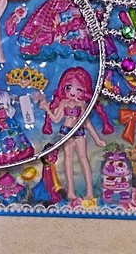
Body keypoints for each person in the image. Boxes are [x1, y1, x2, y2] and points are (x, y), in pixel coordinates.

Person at [38, 66, 106, 201]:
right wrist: (47, 109)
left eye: (78, 89)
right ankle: (70, 191)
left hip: (79, 132)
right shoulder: (63, 102)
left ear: (84, 90)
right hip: (65, 132)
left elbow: (86, 123)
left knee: (83, 158)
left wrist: (97, 139)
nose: (72, 92)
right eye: (69, 88)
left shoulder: (82, 104)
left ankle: (89, 191)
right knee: (68, 159)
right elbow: (56, 119)